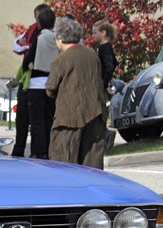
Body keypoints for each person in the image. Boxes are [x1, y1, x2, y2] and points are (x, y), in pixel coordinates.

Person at [46, 16, 107, 168]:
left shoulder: (61, 60)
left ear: (60, 39)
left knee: (64, 161)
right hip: (95, 113)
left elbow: (50, 88)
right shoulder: (92, 54)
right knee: (92, 164)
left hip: (68, 117)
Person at [12, 4, 50, 157]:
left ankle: (36, 151)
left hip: (33, 80)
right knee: (33, 119)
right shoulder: (33, 30)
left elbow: (25, 54)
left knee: (35, 121)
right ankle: (27, 150)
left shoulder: (42, 35)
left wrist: (28, 49)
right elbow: (16, 45)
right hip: (40, 80)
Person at [23, 6, 58, 158]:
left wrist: (28, 66)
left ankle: (39, 151)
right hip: (52, 81)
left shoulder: (40, 38)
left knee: (37, 120)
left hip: (37, 82)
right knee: (50, 118)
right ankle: (50, 149)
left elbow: (28, 59)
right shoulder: (57, 38)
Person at [92, 20, 117, 95]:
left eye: (95, 33)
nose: (93, 35)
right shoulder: (103, 47)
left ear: (103, 33)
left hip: (103, 84)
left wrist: (104, 84)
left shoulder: (105, 48)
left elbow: (109, 66)